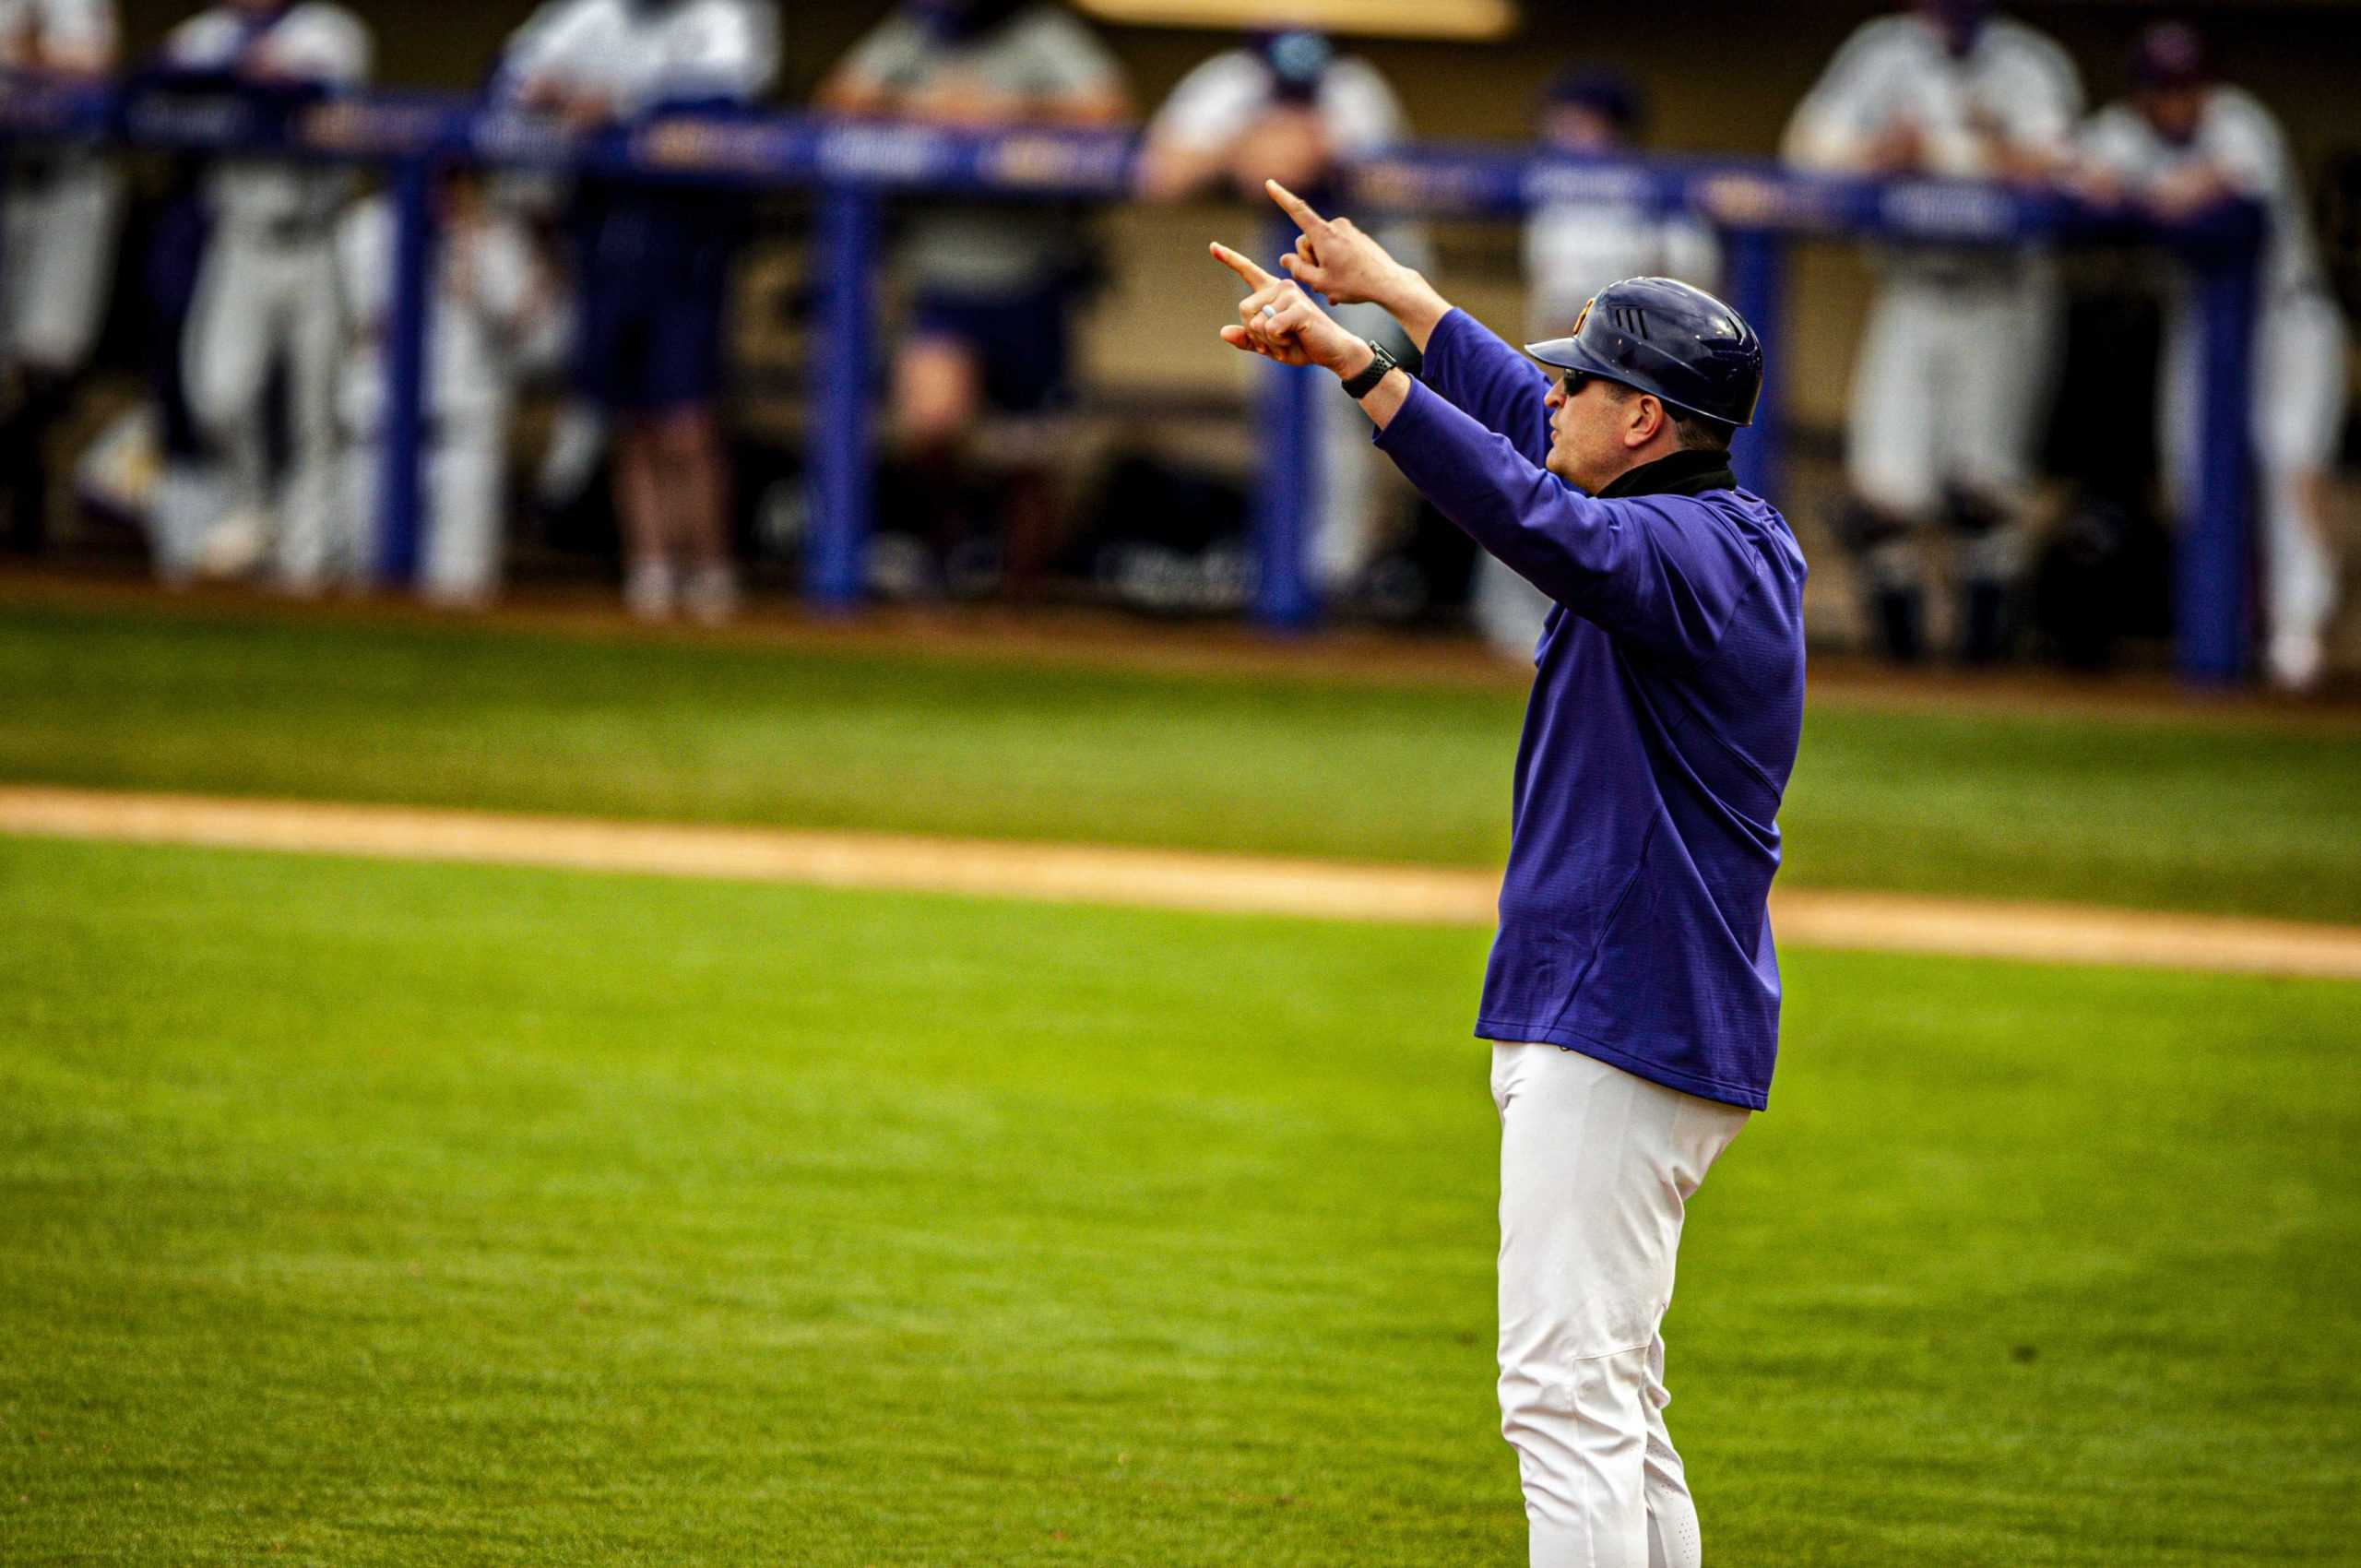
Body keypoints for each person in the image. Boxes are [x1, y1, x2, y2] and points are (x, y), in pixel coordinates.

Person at [1213, 181, 1804, 1568]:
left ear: (1645, 420)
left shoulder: (1675, 556)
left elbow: (1541, 518)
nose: (1550, 393)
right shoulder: (1721, 535)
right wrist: (1402, 298)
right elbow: (1541, 455)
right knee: (1616, 1396)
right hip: (1629, 1010)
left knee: (1563, 1396)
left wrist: (1364, 366)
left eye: (1579, 382)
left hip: (1622, 1014)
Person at [1784, 0, 2082, 662]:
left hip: (2002, 292)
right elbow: (1805, 151)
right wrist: (1876, 154)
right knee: (1885, 489)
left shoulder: (2030, 63)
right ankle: (1906, 673)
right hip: (1912, 287)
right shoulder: (1883, 49)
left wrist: (1940, 151)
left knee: (1987, 489)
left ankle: (1986, 664)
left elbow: (2055, 171)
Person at [818, 0, 1130, 597]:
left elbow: (1109, 114)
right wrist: (921, 112)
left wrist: (1006, 114)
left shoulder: (1039, 33)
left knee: (1030, 452)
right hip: (940, 273)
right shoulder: (914, 33)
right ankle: (948, 550)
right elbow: (837, 104)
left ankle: (1019, 606)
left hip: (1033, 270)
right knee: (931, 424)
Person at [2080, 23, 2351, 692]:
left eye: (2187, 88)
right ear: (2143, 94)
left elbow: (2224, 197)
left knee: (2292, 466)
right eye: (2161, 90)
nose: (2176, 104)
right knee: (2189, 478)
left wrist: (2139, 195)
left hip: (2289, 320)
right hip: (2202, 321)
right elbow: (2076, 177)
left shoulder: (2241, 121)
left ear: (2208, 85)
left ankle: (2299, 636)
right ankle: (2225, 629)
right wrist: (2136, 190)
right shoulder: (2123, 130)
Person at [497, 0, 780, 624]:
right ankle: (649, 570)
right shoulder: (594, 13)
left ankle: (710, 571)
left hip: (685, 247)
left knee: (686, 425)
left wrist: (621, 106)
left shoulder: (724, 15)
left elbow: (729, 106)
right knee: (631, 421)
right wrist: (556, 96)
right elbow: (510, 77)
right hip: (604, 237)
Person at [1138, 27, 1425, 597]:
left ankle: (1335, 574)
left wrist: (1323, 157)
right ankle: (1293, 567)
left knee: (1347, 407)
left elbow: (1401, 183)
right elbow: (1158, 176)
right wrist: (1244, 150)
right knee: (1283, 413)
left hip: (1375, 277)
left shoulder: (1354, 87)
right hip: (1288, 275)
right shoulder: (1231, 82)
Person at [1479, 65, 1720, 659]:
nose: (1565, 132)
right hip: (1568, 371)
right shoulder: (1555, 198)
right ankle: (1517, 641)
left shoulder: (1661, 204)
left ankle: (1612, 643)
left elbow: (1698, 310)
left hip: (1637, 393)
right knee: (1529, 485)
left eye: (1581, 121)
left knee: (1620, 517)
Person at [157, 0, 373, 592]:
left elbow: (308, 87)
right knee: (217, 395)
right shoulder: (207, 32)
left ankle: (303, 565)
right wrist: (237, 75)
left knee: (315, 409)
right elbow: (156, 80)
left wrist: (237, 81)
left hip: (314, 240)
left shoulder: (329, 28)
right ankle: (252, 509)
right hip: (239, 241)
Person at [332, 172, 554, 610]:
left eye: (455, 178)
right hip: (375, 435)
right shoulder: (362, 230)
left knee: (462, 596)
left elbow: (543, 347)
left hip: (464, 438)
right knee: (366, 590)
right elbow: (359, 327)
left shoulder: (495, 239)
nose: (446, 190)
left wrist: (481, 270)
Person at [0, 0, 122, 555]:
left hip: (67, 181)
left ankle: (29, 510)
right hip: (11, 182)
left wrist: (27, 57)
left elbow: (94, 70)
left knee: (49, 362)